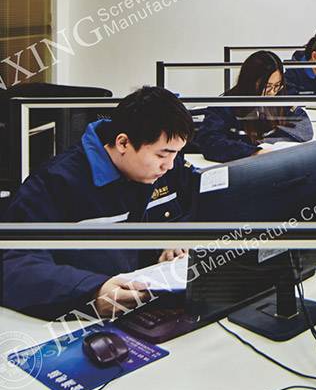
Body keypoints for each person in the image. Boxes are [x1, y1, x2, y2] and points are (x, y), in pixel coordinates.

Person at [2, 87, 197, 320]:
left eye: (176, 154)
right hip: (81, 321)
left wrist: (174, 240)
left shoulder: (162, 169)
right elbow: (15, 266)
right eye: (162, 155)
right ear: (123, 143)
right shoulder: (55, 183)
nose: (170, 165)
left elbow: (199, 208)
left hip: (147, 310)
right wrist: (93, 291)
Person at [194, 50, 313, 163]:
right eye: (267, 86)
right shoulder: (226, 105)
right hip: (243, 166)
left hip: (272, 161)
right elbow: (209, 142)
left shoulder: (278, 97)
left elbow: (304, 126)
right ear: (250, 82)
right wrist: (253, 151)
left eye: (277, 85)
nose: (272, 92)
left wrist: (265, 142)